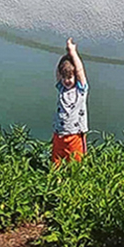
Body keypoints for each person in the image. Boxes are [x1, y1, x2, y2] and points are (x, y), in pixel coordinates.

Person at [52, 37, 88, 165]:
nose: (67, 80)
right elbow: (58, 71)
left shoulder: (80, 91)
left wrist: (72, 53)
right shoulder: (61, 89)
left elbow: (80, 70)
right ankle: (57, 182)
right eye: (64, 77)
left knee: (76, 165)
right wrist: (65, 55)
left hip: (75, 135)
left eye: (70, 77)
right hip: (59, 135)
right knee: (56, 164)